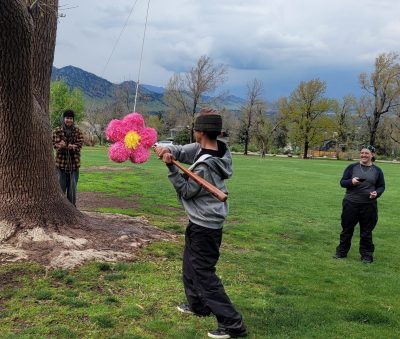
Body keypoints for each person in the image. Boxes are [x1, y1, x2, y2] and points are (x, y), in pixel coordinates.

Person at [155, 108, 247, 339]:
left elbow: (186, 191)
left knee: (204, 273)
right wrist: (166, 150)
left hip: (206, 225)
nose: (193, 132)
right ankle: (198, 305)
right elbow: (182, 151)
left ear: (201, 132)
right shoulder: (213, 148)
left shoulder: (206, 165)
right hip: (199, 220)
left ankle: (233, 324)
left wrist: (170, 167)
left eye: (194, 128)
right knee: (189, 266)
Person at [334, 145, 385, 264]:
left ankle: (366, 255)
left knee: (366, 231)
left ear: (372, 155)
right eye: (362, 153)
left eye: (366, 153)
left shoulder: (377, 171)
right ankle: (341, 252)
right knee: (347, 229)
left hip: (369, 205)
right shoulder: (352, 167)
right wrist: (351, 182)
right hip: (351, 203)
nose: (363, 155)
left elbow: (381, 186)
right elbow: (342, 182)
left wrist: (376, 193)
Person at [52, 109, 84, 206]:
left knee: (72, 190)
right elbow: (54, 144)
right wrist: (59, 145)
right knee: (60, 188)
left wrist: (74, 146)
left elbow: (80, 143)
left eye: (70, 118)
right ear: (63, 119)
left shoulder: (78, 131)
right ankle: (60, 208)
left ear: (73, 120)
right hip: (60, 165)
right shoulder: (57, 131)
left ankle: (72, 208)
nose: (69, 120)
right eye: (67, 118)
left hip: (74, 165)